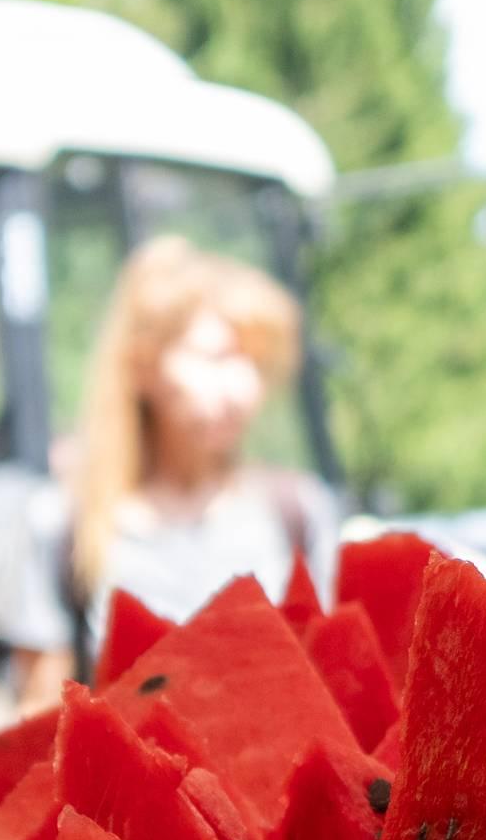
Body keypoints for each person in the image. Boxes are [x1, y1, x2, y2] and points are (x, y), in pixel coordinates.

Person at [68, 236, 339, 650]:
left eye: (256, 363)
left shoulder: (295, 511)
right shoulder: (73, 528)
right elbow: (48, 686)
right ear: (142, 366)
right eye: (216, 356)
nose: (244, 388)